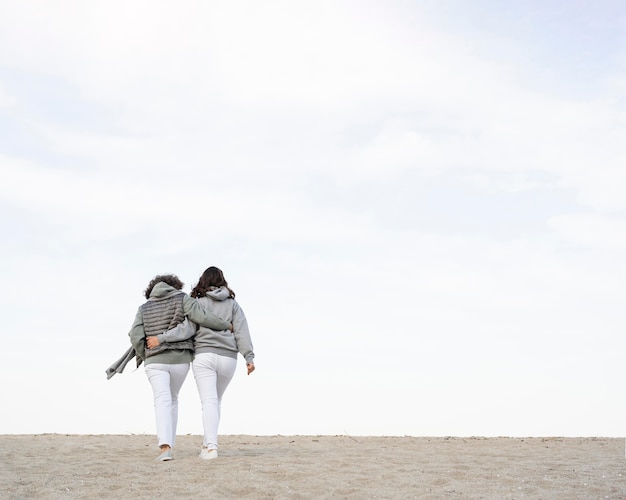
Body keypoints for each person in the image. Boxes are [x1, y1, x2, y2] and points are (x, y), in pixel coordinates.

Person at [148, 266, 255, 460]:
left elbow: (187, 329)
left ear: (202, 281)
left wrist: (162, 338)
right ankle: (207, 445)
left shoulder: (197, 303)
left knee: (209, 401)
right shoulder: (233, 304)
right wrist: (249, 357)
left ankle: (211, 447)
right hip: (228, 357)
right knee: (216, 401)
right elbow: (242, 330)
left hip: (204, 355)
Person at [129, 273, 231, 462]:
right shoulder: (183, 299)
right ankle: (170, 443)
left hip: (155, 361)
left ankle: (166, 447)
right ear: (175, 286)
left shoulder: (144, 308)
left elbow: (135, 335)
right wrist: (226, 325)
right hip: (180, 360)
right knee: (173, 399)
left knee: (162, 400)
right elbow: (202, 317)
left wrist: (146, 355)